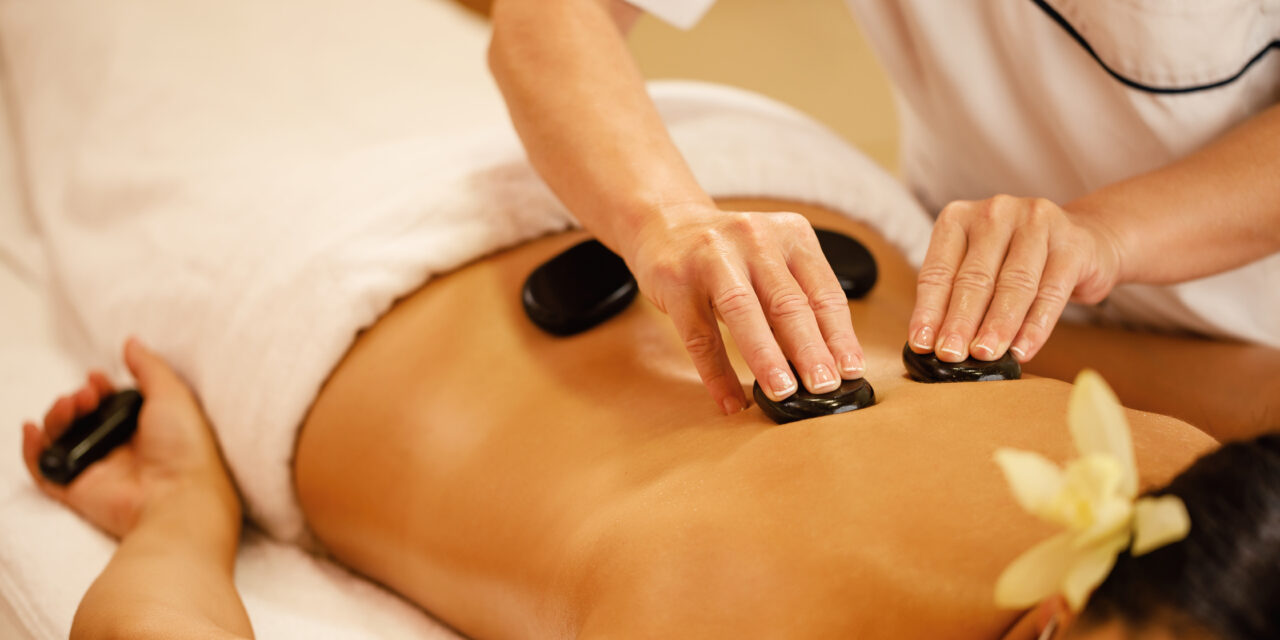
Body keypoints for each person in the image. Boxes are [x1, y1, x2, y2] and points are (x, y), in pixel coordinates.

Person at [20, 198, 1279, 638]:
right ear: (1053, 625)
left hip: (781, 208)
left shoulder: (1212, 491)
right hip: (339, 281)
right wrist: (180, 520)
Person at [486, 0, 1280, 415]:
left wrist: (1109, 229)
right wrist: (665, 219)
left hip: (1248, 326)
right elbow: (551, 16)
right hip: (953, 291)